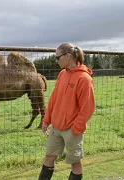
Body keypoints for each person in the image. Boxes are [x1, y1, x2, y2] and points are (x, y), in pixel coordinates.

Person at [38, 43, 95, 180]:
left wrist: (76, 128)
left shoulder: (84, 79)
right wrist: (46, 120)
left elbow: (88, 107)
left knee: (75, 162)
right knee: (49, 157)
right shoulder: (62, 74)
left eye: (57, 57)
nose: (56, 60)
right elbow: (54, 99)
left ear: (68, 56)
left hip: (72, 129)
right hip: (56, 127)